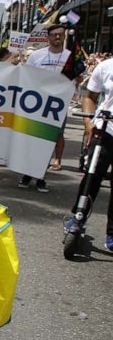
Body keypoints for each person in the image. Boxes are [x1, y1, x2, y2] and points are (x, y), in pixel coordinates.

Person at [64, 52, 113, 251]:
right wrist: (88, 123)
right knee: (92, 176)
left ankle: (111, 233)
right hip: (106, 129)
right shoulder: (106, 66)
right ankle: (78, 216)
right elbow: (90, 96)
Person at [21, 23, 70, 191]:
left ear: (64, 37)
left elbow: (77, 79)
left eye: (60, 35)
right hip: (38, 104)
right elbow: (27, 77)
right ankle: (27, 173)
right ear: (48, 37)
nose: (57, 37)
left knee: (51, 139)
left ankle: (41, 176)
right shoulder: (37, 56)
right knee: (34, 138)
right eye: (54, 35)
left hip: (58, 105)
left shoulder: (71, 57)